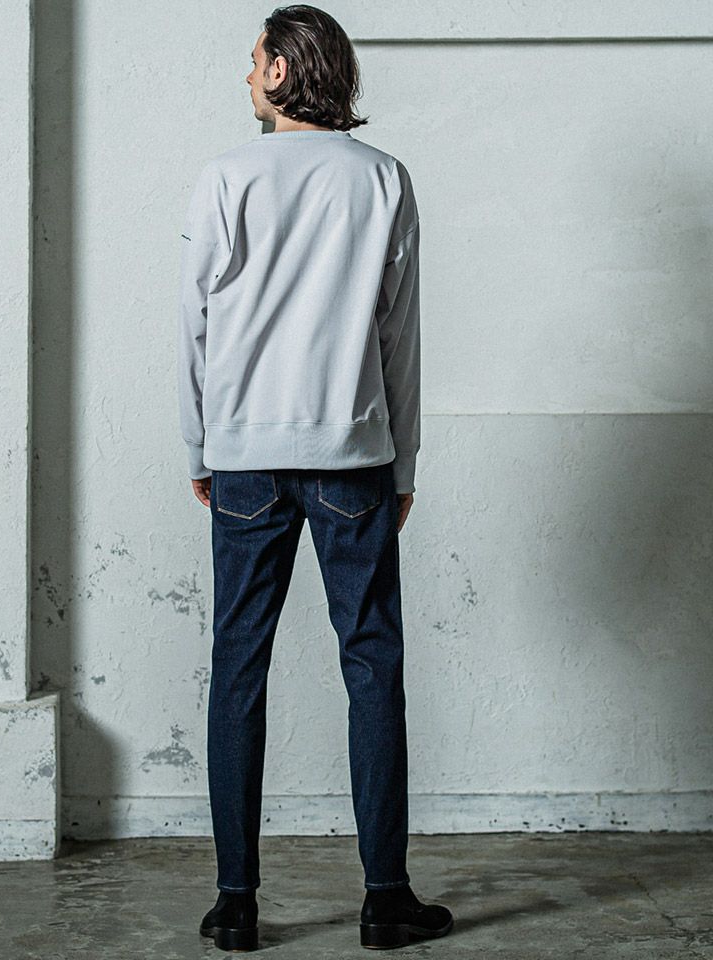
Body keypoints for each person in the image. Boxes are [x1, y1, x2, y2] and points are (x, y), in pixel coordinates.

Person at [177, 4, 454, 951]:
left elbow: (195, 327)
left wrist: (199, 448)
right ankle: (385, 898)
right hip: (353, 457)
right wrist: (403, 461)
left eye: (255, 59)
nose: (246, 73)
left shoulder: (225, 177)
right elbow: (399, 335)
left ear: (284, 71)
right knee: (372, 665)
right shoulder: (382, 179)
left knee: (237, 668)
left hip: (245, 458)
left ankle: (236, 903)